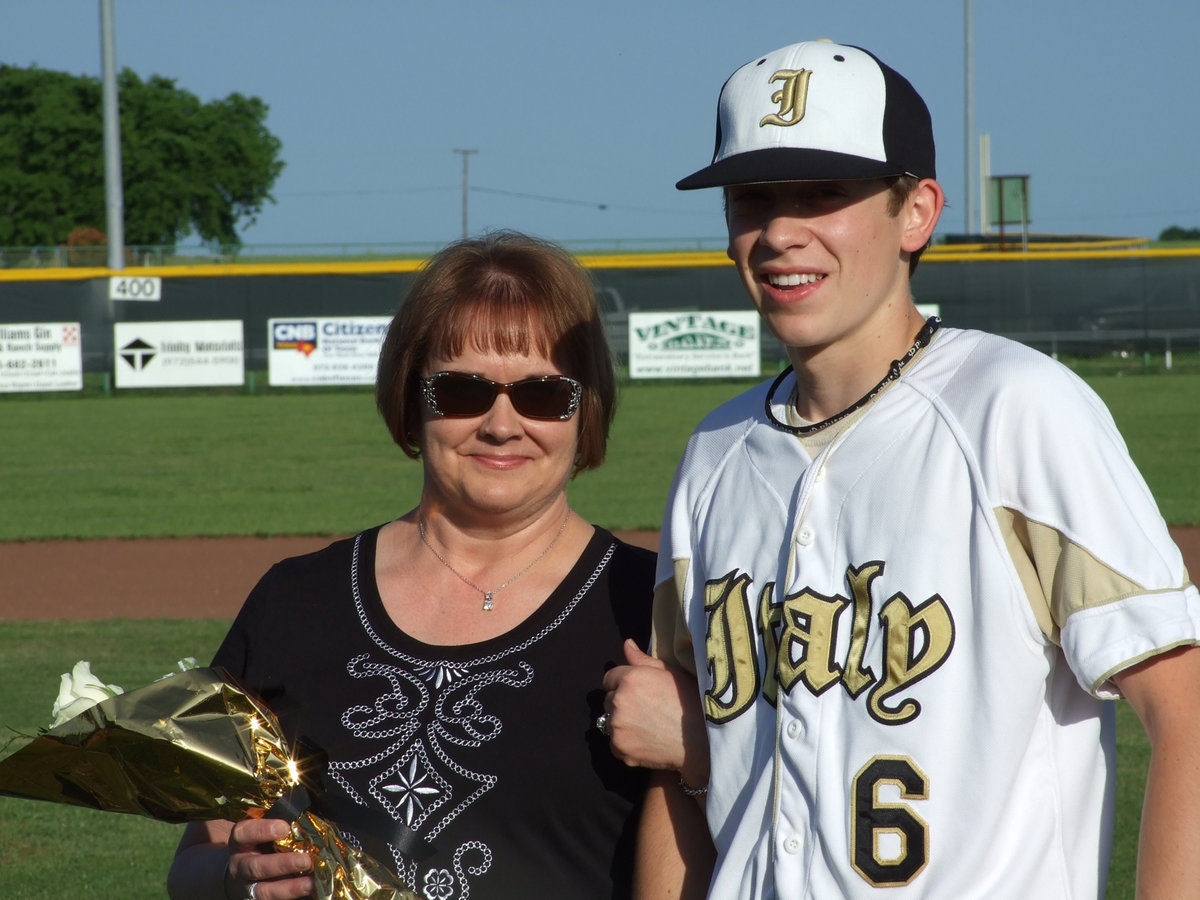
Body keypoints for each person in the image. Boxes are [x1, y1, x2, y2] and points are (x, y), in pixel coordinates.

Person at [610, 39, 1200, 899]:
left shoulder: (1014, 410)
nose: (779, 232)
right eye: (753, 198)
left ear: (916, 212)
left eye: (824, 193)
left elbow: (1184, 714)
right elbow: (684, 765)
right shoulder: (715, 453)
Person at [167, 230, 657, 900]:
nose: (502, 423)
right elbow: (197, 858)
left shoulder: (649, 605)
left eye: (542, 394)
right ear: (412, 396)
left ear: (584, 409)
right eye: (462, 391)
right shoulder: (296, 599)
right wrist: (234, 879)